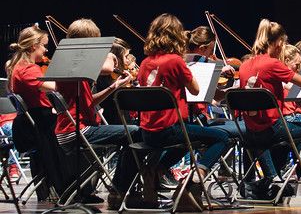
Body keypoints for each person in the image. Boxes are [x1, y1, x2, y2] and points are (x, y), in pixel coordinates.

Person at [136, 14, 230, 210]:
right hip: (169, 128)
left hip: (148, 132)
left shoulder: (145, 63)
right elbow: (195, 90)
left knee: (189, 137)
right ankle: (192, 182)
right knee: (221, 138)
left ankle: (156, 169)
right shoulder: (175, 61)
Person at [238, 19, 301, 200]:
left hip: (251, 131)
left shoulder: (245, 65)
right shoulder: (272, 64)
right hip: (272, 129)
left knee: (288, 131)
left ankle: (273, 179)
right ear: (279, 42)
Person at [50, 19, 140, 206]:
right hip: (75, 131)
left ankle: (119, 186)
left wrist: (114, 86)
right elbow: (107, 68)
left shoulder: (72, 64)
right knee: (136, 132)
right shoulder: (74, 64)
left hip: (69, 130)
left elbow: (89, 103)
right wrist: (110, 56)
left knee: (132, 132)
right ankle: (120, 187)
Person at [6, 25, 67, 200]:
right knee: (73, 134)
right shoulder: (27, 69)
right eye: (44, 45)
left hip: (33, 123)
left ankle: (54, 188)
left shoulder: (17, 67)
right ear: (34, 46)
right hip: (39, 126)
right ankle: (67, 186)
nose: (46, 50)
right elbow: (54, 87)